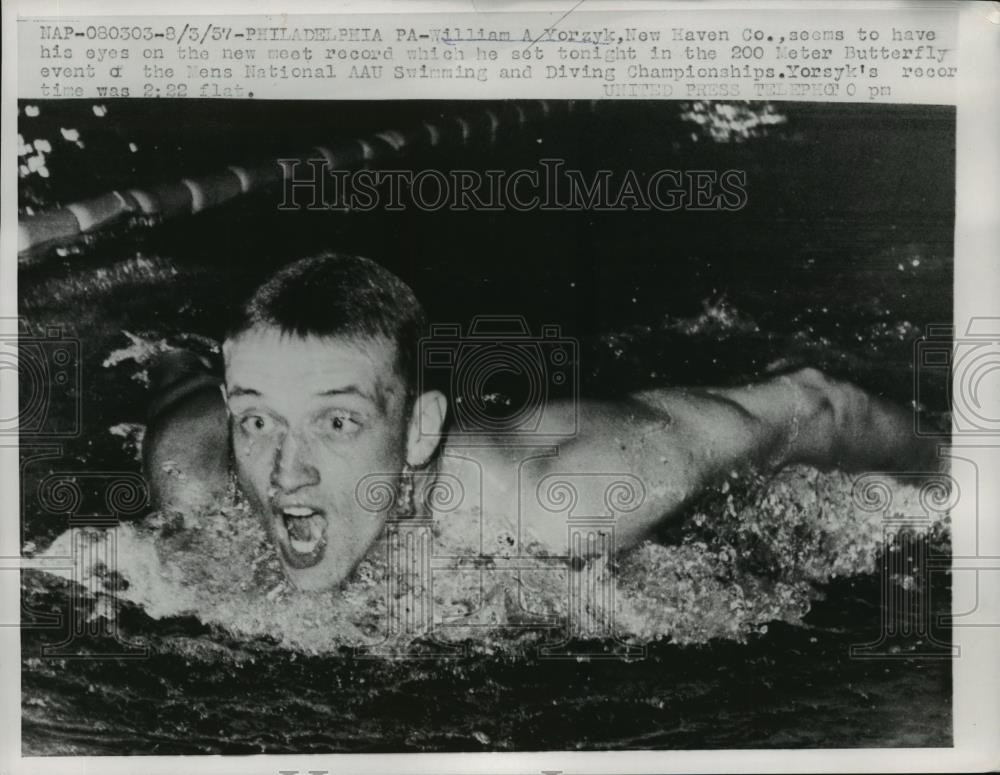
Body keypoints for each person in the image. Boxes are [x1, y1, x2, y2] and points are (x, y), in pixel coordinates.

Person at [143, 251, 942, 592]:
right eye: (256, 423)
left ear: (420, 431)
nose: (285, 472)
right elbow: (190, 396)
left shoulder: (574, 497)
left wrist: (949, 475)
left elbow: (813, 402)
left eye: (337, 424)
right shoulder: (196, 467)